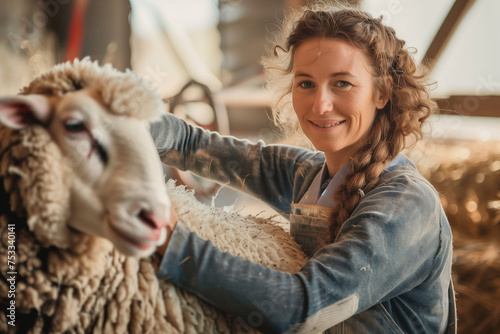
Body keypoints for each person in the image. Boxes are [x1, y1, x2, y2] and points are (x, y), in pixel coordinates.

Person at [151, 4, 456, 333]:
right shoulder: (306, 175)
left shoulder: (405, 205)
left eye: (342, 83)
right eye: (306, 84)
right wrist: (121, 115)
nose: (320, 105)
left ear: (381, 93)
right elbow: (190, 145)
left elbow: (301, 308)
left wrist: (175, 244)